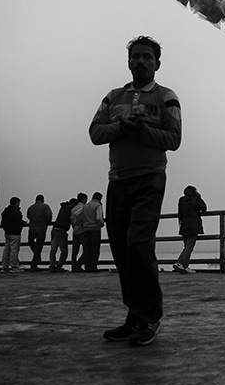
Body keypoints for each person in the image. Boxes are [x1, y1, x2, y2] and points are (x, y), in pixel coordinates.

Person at [90, 35, 182, 346]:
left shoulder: (167, 97)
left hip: (149, 180)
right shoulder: (113, 97)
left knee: (138, 245)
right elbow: (95, 132)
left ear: (157, 63)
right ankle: (135, 316)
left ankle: (151, 317)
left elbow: (174, 139)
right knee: (121, 250)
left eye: (147, 57)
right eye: (136, 57)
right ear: (129, 62)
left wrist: (142, 130)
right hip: (117, 181)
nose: (141, 62)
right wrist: (121, 127)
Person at [174, 185, 206, 274]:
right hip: (193, 226)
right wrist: (199, 197)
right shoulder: (193, 200)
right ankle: (185, 266)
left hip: (184, 225)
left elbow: (180, 213)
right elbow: (203, 208)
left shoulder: (181, 200)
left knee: (186, 246)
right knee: (189, 246)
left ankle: (179, 263)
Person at [0, 197, 28, 273]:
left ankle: (5, 266)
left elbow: (3, 223)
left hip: (7, 233)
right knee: (14, 250)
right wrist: (23, 223)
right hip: (15, 233)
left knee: (6, 250)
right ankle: (14, 266)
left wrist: (6, 229)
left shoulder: (5, 212)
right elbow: (18, 222)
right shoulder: (16, 212)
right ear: (16, 203)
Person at [26, 195, 52, 271]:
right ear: (43, 200)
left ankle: (36, 258)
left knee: (31, 242)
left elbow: (29, 216)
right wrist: (47, 222)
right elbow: (49, 215)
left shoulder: (30, 207)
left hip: (32, 228)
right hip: (41, 228)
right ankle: (36, 260)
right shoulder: (45, 206)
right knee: (39, 245)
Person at [48, 199, 75, 272]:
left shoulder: (63, 207)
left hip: (54, 229)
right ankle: (59, 266)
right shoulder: (71, 208)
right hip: (61, 231)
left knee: (53, 250)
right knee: (64, 251)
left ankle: (52, 266)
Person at [81, 192, 104, 272]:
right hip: (95, 229)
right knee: (95, 248)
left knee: (87, 249)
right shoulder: (98, 205)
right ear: (100, 198)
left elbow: (80, 216)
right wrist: (101, 224)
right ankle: (93, 267)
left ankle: (87, 266)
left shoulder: (85, 206)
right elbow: (99, 217)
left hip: (86, 229)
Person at [70, 192, 88, 271]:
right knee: (87, 248)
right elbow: (84, 219)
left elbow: (71, 220)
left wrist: (74, 226)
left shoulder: (73, 208)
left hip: (75, 230)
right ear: (84, 199)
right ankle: (79, 264)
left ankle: (73, 267)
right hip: (81, 230)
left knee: (75, 250)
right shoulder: (84, 208)